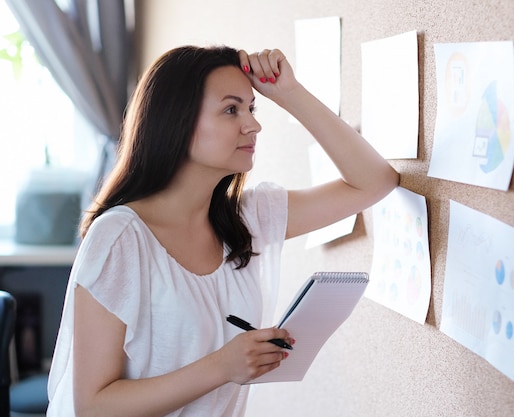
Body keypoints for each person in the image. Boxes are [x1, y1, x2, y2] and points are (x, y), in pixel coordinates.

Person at [46, 45, 399, 417]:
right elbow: (92, 406)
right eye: (232, 109)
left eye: (251, 108)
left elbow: (375, 181)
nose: (253, 125)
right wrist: (222, 367)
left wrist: (290, 94)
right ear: (176, 121)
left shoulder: (248, 219)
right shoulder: (119, 239)